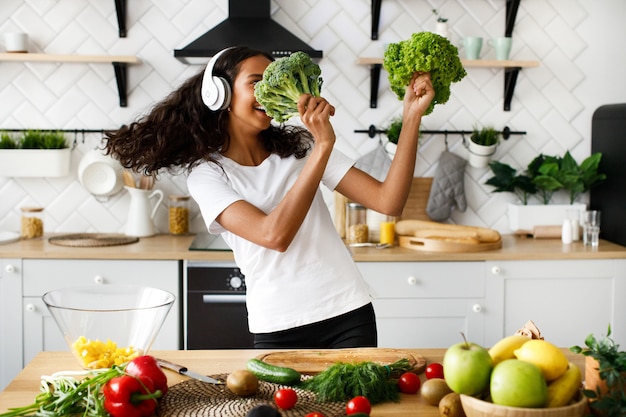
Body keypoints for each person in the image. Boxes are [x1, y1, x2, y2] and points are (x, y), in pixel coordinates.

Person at [104, 46, 434, 349]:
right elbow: (273, 235)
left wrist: (411, 117)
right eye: (256, 82)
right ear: (221, 94)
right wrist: (323, 148)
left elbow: (388, 201)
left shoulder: (301, 148)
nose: (269, 92)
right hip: (279, 325)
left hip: (348, 311)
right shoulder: (208, 175)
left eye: (273, 83)